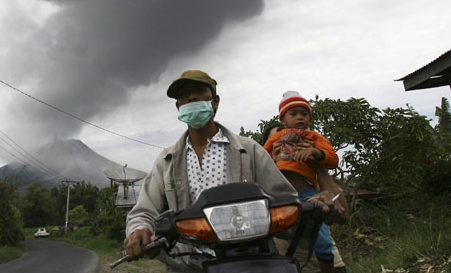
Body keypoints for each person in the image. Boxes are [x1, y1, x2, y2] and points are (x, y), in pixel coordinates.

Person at [123, 71, 347, 272]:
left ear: (215, 101)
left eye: (199, 92)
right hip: (186, 264)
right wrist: (139, 229)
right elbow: (145, 210)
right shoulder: (167, 160)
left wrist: (313, 209)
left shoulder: (248, 150)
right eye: (184, 95)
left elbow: (285, 202)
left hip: (251, 261)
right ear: (178, 106)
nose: (191, 98)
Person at [263, 91, 341, 273]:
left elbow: (333, 159)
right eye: (294, 114)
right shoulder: (276, 138)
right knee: (275, 238)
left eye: (304, 114)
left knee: (322, 242)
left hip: (308, 195)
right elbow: (260, 160)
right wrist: (272, 157)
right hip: (279, 195)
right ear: (283, 120)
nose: (299, 117)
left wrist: (316, 153)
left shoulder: (314, 138)